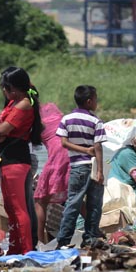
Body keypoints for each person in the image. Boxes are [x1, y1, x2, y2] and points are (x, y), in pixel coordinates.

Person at [0, 67, 40, 255]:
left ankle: (26, 249)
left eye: (4, 88)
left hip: (16, 161)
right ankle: (15, 247)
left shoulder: (23, 104)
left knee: (19, 208)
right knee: (11, 208)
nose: (3, 92)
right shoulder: (15, 103)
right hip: (9, 160)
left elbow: (1, 130)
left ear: (12, 89)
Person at [55, 85, 106, 248]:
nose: (97, 103)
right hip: (91, 167)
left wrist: (82, 150)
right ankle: (90, 237)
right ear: (89, 101)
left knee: (72, 203)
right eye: (96, 99)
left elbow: (64, 143)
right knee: (95, 204)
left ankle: (63, 240)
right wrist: (100, 171)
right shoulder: (96, 121)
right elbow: (98, 147)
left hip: (77, 167)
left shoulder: (66, 119)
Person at [34, 102, 70, 244]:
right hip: (73, 154)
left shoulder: (31, 117)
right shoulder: (52, 108)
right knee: (74, 198)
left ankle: (40, 242)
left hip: (58, 156)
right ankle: (94, 232)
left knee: (40, 200)